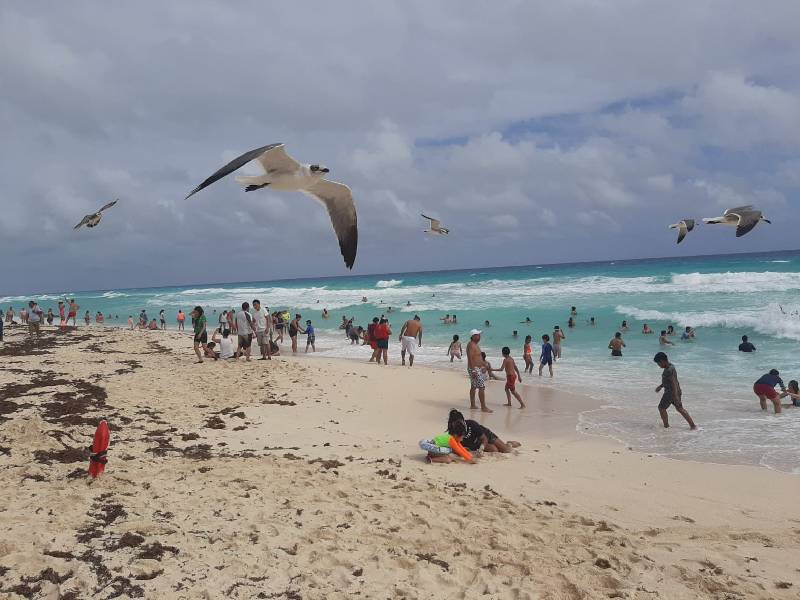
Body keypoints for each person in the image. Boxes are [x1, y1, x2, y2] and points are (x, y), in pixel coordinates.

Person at [653, 352, 697, 430]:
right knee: (680, 408)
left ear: (662, 361)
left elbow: (673, 383)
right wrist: (661, 386)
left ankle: (666, 426)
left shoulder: (668, 370)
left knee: (661, 408)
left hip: (670, 393)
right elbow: (670, 381)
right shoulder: (671, 366)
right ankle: (693, 426)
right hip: (676, 391)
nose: (658, 365)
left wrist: (675, 396)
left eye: (658, 363)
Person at [447, 409, 520, 453]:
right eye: (454, 423)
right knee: (494, 450)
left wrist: (482, 447)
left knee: (507, 450)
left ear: (462, 420)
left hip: (485, 435)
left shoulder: (472, 424)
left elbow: (484, 438)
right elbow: (453, 445)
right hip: (474, 444)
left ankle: (510, 444)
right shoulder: (452, 431)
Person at [466, 330, 492, 413]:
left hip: (476, 368)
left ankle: (473, 405)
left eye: (479, 335)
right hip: (474, 369)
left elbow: (477, 358)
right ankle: (483, 407)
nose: (479, 336)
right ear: (473, 336)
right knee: (481, 387)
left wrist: (484, 365)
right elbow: (470, 357)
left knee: (473, 386)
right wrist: (473, 370)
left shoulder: (474, 344)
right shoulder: (471, 345)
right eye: (478, 335)